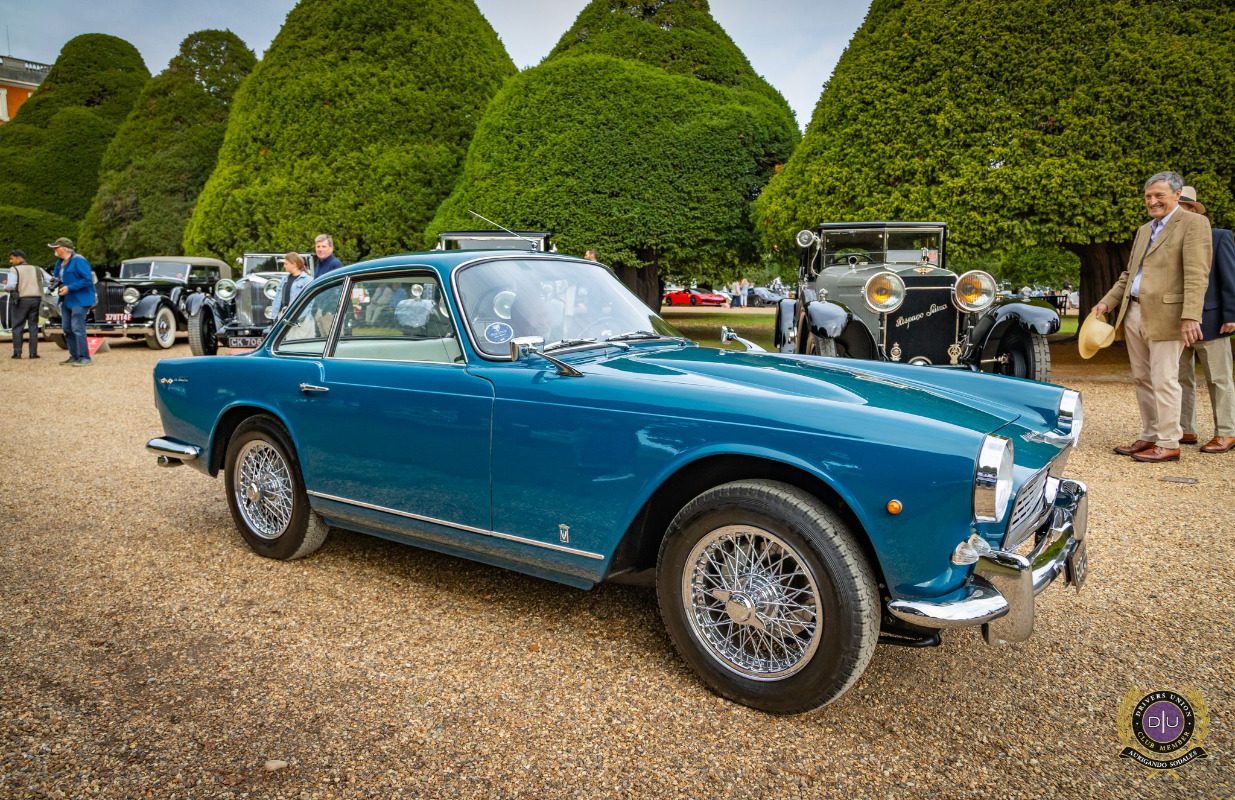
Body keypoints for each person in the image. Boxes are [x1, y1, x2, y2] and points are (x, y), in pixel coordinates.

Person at [1092, 171, 1212, 462]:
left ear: (1177, 195)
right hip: (1133, 311)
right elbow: (1129, 275)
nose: (1153, 201)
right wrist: (1107, 303)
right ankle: (1150, 435)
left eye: (1159, 195)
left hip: (1169, 315)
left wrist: (1190, 316)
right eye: (1148, 196)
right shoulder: (1145, 229)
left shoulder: (1194, 223)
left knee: (1164, 379)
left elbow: (1196, 275)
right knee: (1142, 378)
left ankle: (1169, 442)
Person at [1175, 187, 1235, 453]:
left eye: (1182, 208)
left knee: (1219, 379)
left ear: (1193, 210)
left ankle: (1227, 432)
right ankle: (1185, 429)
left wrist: (1231, 315)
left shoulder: (1219, 237)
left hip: (1212, 320)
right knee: (1180, 379)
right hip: (1175, 322)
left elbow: (1230, 277)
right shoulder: (1166, 239)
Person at [48, 237, 97, 366]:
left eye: (56, 248)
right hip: (66, 299)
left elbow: (88, 280)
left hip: (80, 299)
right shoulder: (59, 262)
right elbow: (57, 277)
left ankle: (85, 357)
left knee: (78, 328)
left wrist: (70, 288)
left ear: (64, 249)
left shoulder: (79, 260)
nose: (54, 251)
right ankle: (74, 356)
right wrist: (53, 281)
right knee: (67, 328)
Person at [5, 250, 44, 359]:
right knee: (33, 326)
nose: (10, 261)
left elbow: (11, 286)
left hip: (21, 300)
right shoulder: (37, 268)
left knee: (18, 325)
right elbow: (50, 279)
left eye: (12, 258)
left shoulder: (14, 269)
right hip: (36, 299)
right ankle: (33, 353)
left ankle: (17, 353)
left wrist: (6, 288)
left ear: (19, 258)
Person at [270, 252, 312, 320]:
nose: (284, 266)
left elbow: (310, 302)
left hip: (301, 319)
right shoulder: (284, 279)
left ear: (294, 264)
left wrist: (298, 317)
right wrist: (274, 317)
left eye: (286, 264)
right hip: (284, 316)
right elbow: (277, 299)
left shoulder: (307, 280)